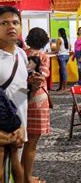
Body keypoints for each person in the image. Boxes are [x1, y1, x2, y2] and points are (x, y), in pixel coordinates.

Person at [0, 6, 31, 183]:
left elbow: (20, 87)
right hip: (1, 123)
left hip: (18, 121)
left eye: (15, 22)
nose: (11, 26)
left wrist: (31, 86)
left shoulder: (21, 54)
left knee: (15, 162)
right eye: (4, 23)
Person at [24, 27, 52, 183]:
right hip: (37, 99)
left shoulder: (22, 53)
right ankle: (27, 177)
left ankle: (21, 175)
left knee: (23, 141)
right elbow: (42, 76)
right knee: (32, 142)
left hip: (21, 97)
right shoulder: (43, 56)